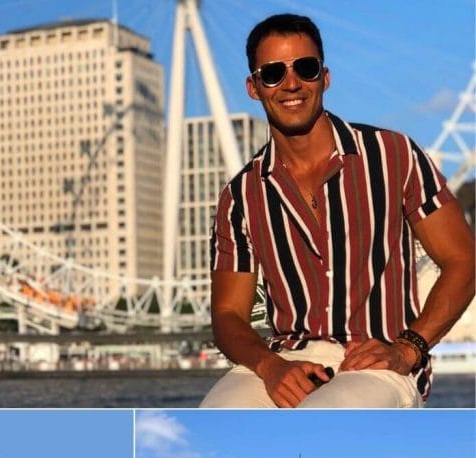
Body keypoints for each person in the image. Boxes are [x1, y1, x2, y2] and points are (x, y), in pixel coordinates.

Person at [202, 12, 475, 409]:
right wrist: (269, 365)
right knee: (217, 418)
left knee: (326, 416)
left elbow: (464, 259)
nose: (291, 83)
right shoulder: (240, 195)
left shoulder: (394, 155)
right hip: (284, 359)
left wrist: (408, 348)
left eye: (306, 68)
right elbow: (228, 314)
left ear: (324, 78)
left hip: (378, 362)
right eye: (274, 72)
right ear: (254, 86)